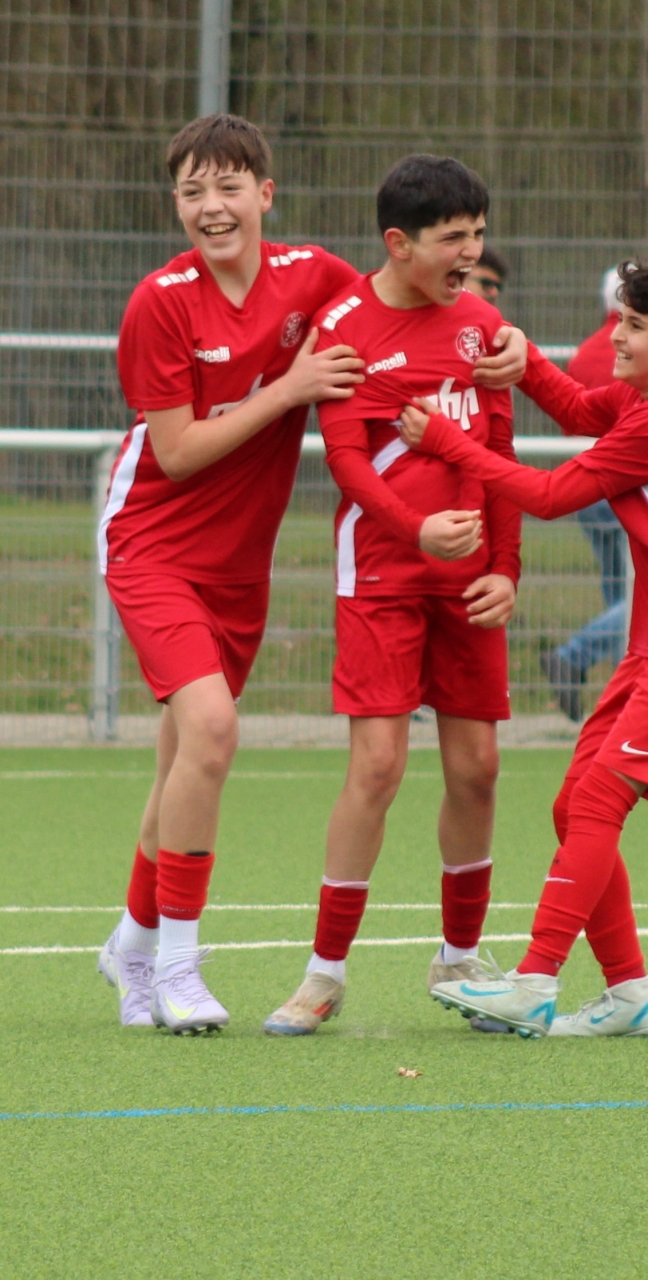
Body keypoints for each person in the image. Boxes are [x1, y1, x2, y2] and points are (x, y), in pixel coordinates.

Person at [90, 114, 519, 1035]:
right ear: (176, 204)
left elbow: (404, 293)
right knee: (212, 731)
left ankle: (134, 939)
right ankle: (177, 966)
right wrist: (288, 389)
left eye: (228, 187)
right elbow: (177, 452)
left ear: (265, 194)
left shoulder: (312, 277)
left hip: (240, 563)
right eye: (192, 192)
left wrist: (507, 341)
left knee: (182, 762)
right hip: (151, 542)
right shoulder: (159, 301)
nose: (211, 207)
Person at [411, 262, 648, 1038]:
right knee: (574, 807)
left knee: (597, 803)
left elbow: (545, 497)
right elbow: (574, 405)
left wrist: (445, 441)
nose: (617, 337)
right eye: (621, 319)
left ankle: (534, 982)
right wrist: (523, 352)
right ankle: (630, 995)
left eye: (635, 326)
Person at [261, 154, 525, 1035]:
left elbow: (502, 456)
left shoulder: (485, 328)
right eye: (453, 238)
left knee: (478, 768)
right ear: (399, 243)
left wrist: (505, 568)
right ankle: (324, 974)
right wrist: (414, 531)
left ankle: (460, 961)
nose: (471, 252)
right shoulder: (344, 328)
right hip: (380, 573)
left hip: (468, 580)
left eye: (477, 234)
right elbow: (344, 461)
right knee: (377, 767)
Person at [542, 267, 630, 720]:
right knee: (640, 597)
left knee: (619, 593)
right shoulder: (639, 349)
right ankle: (573, 657)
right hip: (622, 485)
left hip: (586, 483)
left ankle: (625, 695)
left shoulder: (587, 351)